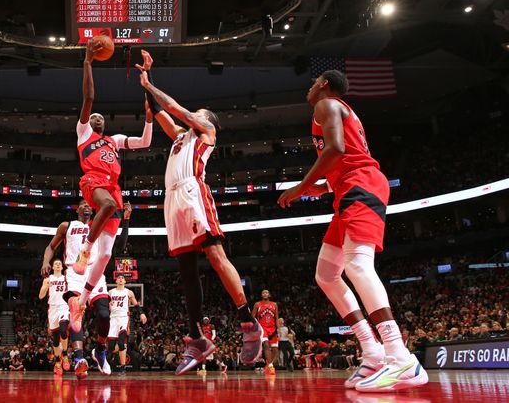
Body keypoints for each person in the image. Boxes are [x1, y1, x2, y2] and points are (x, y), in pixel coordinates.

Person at [277, 70, 428, 392]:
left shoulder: (327, 104)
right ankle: (372, 352)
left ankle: (400, 357)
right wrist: (322, 186)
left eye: (313, 81)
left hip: (362, 186)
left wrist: (301, 187)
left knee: (358, 265)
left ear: (324, 85)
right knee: (327, 275)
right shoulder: (332, 109)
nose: (310, 86)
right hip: (346, 190)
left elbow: (336, 149)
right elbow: (341, 157)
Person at [136, 50, 263, 375]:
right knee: (186, 271)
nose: (194, 114)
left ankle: (248, 322)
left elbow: (175, 108)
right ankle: (197, 338)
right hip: (172, 200)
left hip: (193, 192)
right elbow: (159, 112)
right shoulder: (180, 137)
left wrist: (151, 85)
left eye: (198, 113)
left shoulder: (205, 130)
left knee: (216, 257)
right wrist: (146, 81)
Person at [69, 39, 153, 335]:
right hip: (93, 182)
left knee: (106, 256)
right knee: (108, 207)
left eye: (101, 117)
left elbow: (145, 142)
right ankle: (83, 250)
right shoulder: (83, 134)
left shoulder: (114, 140)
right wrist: (88, 63)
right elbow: (89, 98)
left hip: (112, 187)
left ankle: (82, 299)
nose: (97, 117)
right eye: (94, 117)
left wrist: (149, 114)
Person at [41, 200, 132, 378]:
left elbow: (120, 245)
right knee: (76, 314)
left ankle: (99, 350)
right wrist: (46, 262)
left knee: (104, 315)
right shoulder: (66, 226)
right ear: (77, 210)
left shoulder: (100, 224)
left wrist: (126, 220)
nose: (87, 206)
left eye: (89, 204)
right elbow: (50, 247)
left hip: (95, 272)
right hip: (74, 273)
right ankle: (79, 359)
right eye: (82, 204)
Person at [106, 275, 147, 375]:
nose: (120, 279)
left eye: (122, 278)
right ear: (116, 281)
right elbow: (105, 304)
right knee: (111, 347)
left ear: (125, 281)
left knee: (121, 343)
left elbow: (136, 304)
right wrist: (108, 304)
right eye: (118, 278)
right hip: (113, 319)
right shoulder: (110, 292)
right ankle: (113, 352)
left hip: (123, 318)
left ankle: (123, 367)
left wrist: (141, 313)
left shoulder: (129, 292)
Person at [38, 259, 70, 376]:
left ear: (62, 267)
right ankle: (57, 361)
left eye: (59, 264)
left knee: (63, 329)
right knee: (56, 339)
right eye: (55, 263)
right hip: (52, 309)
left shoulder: (66, 278)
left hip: (64, 307)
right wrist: (45, 287)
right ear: (52, 267)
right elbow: (41, 296)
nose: (57, 265)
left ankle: (65, 354)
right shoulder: (48, 279)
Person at [252, 290, 279, 375]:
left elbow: (277, 318)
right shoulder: (257, 304)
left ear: (269, 295)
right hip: (262, 328)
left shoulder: (274, 304)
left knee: (275, 349)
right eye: (263, 292)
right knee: (266, 345)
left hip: (273, 329)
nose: (265, 294)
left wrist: (278, 328)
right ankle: (271, 366)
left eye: (267, 292)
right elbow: (252, 317)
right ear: (261, 295)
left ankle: (268, 363)